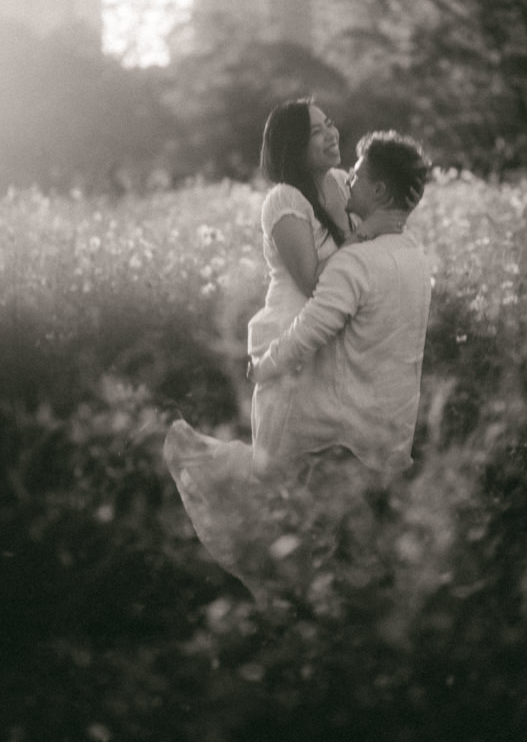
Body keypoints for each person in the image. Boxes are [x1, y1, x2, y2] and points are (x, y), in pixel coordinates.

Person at [163, 100, 406, 593]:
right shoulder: (283, 200)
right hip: (291, 343)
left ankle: (322, 584)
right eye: (317, 131)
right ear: (293, 146)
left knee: (326, 468)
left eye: (330, 123)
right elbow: (315, 281)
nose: (331, 134)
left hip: (336, 346)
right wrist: (367, 240)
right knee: (276, 474)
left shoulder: (341, 183)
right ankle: (186, 452)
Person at [250, 130, 432, 479]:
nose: (348, 179)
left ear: (379, 191)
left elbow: (307, 333)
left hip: (347, 437)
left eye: (357, 175)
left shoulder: (353, 263)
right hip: (395, 428)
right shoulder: (415, 254)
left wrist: (264, 367)